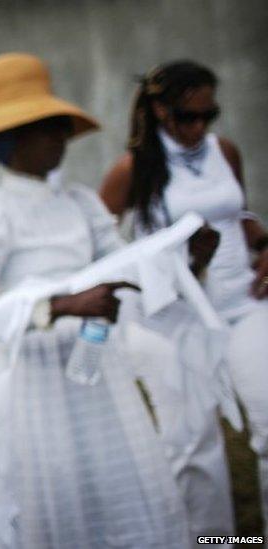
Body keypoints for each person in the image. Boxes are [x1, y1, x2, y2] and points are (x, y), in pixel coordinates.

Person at [0, 52, 189, 547]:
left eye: (61, 125)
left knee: (116, 474)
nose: (60, 136)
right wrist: (58, 306)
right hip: (30, 381)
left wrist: (184, 256)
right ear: (10, 140)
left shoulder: (80, 203)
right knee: (51, 492)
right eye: (46, 127)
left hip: (97, 368)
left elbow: (127, 269)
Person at [100, 59, 268, 539]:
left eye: (208, 116)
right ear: (158, 109)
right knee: (194, 447)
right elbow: (101, 246)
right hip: (175, 318)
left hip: (243, 303)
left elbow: (239, 213)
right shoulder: (132, 170)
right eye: (188, 116)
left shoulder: (225, 151)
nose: (199, 127)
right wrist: (169, 260)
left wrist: (263, 243)